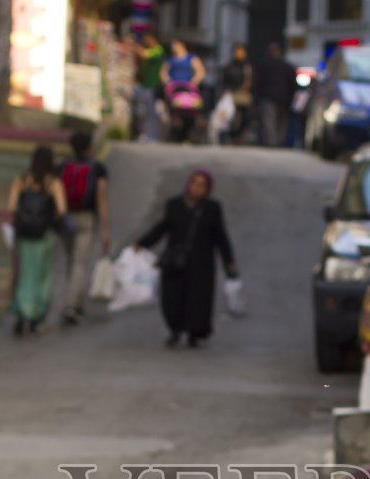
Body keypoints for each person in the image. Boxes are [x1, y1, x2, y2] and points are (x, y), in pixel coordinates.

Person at [134, 169, 237, 348]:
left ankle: (193, 333)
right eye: (195, 183)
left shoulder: (212, 208)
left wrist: (229, 260)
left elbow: (221, 236)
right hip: (174, 261)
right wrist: (142, 243)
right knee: (171, 297)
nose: (197, 188)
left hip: (201, 263)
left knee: (198, 300)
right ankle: (175, 330)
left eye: (202, 185)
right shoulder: (174, 205)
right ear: (189, 184)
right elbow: (162, 227)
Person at [6, 145, 67, 335]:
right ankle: (36, 315)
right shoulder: (53, 183)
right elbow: (62, 209)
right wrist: (50, 221)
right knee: (43, 275)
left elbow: (11, 206)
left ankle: (22, 311)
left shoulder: (21, 179)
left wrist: (25, 219)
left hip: (25, 234)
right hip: (45, 234)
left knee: (26, 273)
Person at [58, 129, 110, 325]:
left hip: (66, 218)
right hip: (87, 218)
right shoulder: (97, 168)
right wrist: (105, 229)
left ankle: (76, 303)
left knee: (72, 261)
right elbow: (101, 200)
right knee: (80, 263)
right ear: (90, 147)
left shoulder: (63, 165)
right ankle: (72, 305)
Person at [255, 42, 297, 149]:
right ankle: (279, 141)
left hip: (268, 96)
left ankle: (271, 143)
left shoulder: (263, 65)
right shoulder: (287, 66)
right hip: (284, 98)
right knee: (281, 121)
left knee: (269, 119)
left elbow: (258, 82)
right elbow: (294, 84)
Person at [132, 33, 165, 142]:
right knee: (144, 111)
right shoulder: (153, 50)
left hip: (153, 84)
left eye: (147, 39)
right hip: (146, 84)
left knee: (151, 111)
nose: (146, 42)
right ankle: (145, 134)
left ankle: (151, 135)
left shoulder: (158, 50)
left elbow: (145, 54)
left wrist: (133, 45)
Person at [220, 44, 254, 144]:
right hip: (231, 94)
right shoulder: (229, 66)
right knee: (230, 116)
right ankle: (231, 136)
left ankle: (239, 136)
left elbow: (252, 80)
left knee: (245, 117)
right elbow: (224, 80)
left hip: (243, 95)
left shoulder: (247, 67)